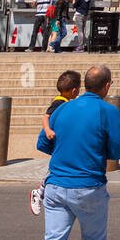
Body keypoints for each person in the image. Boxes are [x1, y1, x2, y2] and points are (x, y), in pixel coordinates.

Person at [28, 64, 120, 240]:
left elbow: (43, 142)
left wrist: (67, 151)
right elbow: (116, 152)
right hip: (88, 186)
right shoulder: (108, 111)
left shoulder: (63, 108)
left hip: (57, 185)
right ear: (106, 86)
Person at [28, 70, 81, 217]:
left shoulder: (65, 102)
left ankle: (40, 191)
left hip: (60, 142)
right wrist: (48, 130)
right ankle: (38, 192)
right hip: (57, 141)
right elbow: (45, 117)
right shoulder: (59, 102)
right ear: (74, 90)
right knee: (55, 169)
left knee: (56, 167)